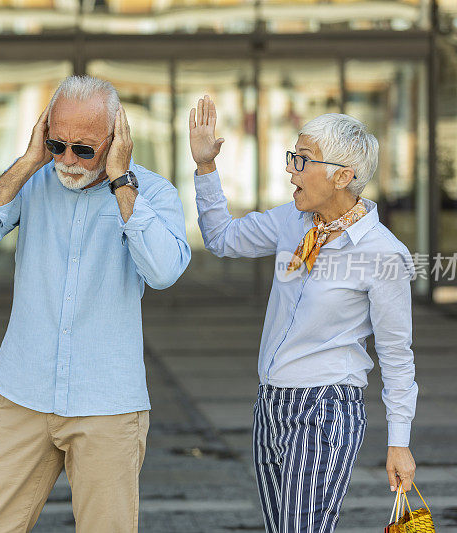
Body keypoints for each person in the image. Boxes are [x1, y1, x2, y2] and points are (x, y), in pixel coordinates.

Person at [0, 75, 191, 532]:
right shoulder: (34, 180)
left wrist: (121, 182)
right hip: (23, 394)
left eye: (84, 148)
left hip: (107, 406)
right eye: (58, 144)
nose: (68, 160)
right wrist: (28, 161)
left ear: (117, 139)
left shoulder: (151, 194)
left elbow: (163, 272)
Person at [188, 95, 418, 533]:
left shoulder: (385, 254)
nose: (290, 169)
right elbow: (220, 238)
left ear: (342, 176)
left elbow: (396, 354)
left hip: (326, 407)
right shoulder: (292, 223)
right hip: (271, 404)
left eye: (302, 160)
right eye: (293, 157)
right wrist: (205, 167)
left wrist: (398, 443)